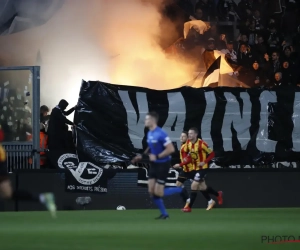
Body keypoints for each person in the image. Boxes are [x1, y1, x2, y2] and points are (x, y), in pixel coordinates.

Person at [132, 112, 184, 219]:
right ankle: (164, 214)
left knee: (158, 193)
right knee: (151, 191)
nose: (145, 121)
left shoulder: (161, 133)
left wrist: (158, 156)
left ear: (152, 121)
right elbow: (150, 147)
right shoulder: (150, 133)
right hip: (154, 165)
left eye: (147, 119)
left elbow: (171, 149)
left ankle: (180, 189)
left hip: (163, 164)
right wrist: (142, 156)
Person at [0, 126, 56, 217]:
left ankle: (43, 198)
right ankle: (42, 198)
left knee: (7, 194)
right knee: (7, 194)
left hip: (1, 160)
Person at [182, 127, 223, 212]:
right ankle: (217, 194)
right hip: (194, 168)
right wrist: (184, 161)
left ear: (196, 134)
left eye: (191, 133)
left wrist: (204, 162)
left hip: (202, 169)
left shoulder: (202, 144)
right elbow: (188, 154)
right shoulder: (188, 143)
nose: (189, 135)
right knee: (203, 188)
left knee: (194, 185)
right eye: (188, 133)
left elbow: (212, 154)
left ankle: (189, 207)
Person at [172, 131, 194, 208]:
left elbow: (188, 159)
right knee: (178, 185)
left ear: (187, 138)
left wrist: (179, 164)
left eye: (183, 136)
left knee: (201, 187)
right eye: (181, 136)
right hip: (185, 170)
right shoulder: (183, 145)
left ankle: (214, 197)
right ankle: (187, 200)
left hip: (192, 170)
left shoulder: (189, 146)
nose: (181, 137)